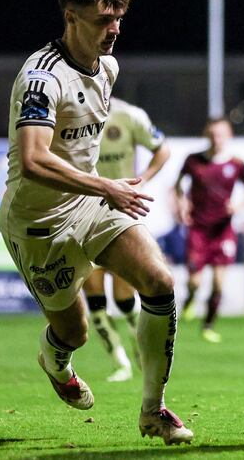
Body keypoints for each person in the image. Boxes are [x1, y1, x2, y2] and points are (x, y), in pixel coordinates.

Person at [0, 0, 192, 445]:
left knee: (160, 282)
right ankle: (55, 362)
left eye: (120, 18)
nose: (116, 29)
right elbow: (33, 159)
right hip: (37, 223)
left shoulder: (108, 67)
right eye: (105, 19)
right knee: (74, 331)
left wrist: (103, 190)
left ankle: (154, 411)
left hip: (88, 203)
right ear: (71, 17)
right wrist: (106, 187)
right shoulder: (42, 78)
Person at [83, 97, 171, 382]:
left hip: (122, 214)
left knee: (124, 298)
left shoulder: (129, 115)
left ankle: (141, 348)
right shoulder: (72, 111)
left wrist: (142, 180)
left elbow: (162, 149)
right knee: (94, 296)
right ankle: (119, 362)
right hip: (83, 214)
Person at [174, 118, 244, 343]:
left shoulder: (236, 163)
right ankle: (190, 298)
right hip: (198, 228)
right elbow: (178, 184)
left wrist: (238, 205)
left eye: (221, 134)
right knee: (195, 281)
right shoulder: (193, 160)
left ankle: (208, 325)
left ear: (229, 137)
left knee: (218, 283)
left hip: (223, 229)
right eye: (213, 134)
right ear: (207, 135)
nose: (217, 139)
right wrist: (182, 203)